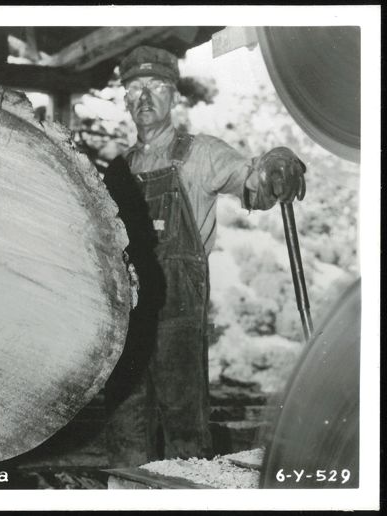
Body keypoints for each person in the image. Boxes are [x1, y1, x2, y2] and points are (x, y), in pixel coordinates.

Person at [101, 46, 307, 466]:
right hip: (125, 317)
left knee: (184, 429)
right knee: (125, 423)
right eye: (135, 88)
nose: (144, 97)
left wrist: (273, 165)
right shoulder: (118, 170)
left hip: (178, 312)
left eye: (156, 87)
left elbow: (251, 179)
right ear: (124, 98)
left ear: (174, 96)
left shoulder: (200, 155)